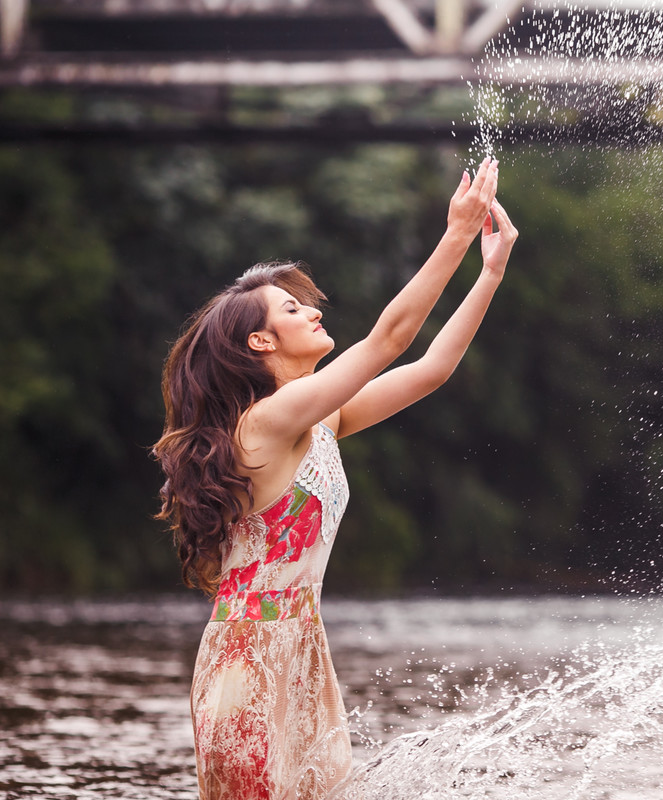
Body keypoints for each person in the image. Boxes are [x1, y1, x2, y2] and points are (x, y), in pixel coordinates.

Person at [152, 158, 516, 800]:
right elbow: (390, 338)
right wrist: (455, 235)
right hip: (250, 661)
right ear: (261, 343)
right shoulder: (264, 423)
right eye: (293, 310)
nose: (314, 314)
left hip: (303, 655)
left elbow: (430, 368)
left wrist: (488, 272)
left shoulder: (322, 420)